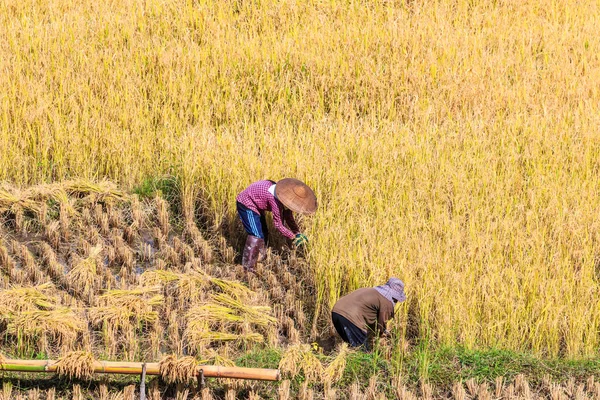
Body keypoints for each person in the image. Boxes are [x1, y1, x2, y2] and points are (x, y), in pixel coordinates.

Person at [236, 178, 317, 272]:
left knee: (264, 232)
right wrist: (293, 236)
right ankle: (248, 268)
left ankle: (259, 257)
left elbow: (288, 217)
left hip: (257, 204)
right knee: (256, 234)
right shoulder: (275, 200)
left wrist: (297, 232)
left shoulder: (287, 197)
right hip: (247, 204)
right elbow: (278, 224)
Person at [331, 277, 406, 348]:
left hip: (336, 312)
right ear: (395, 296)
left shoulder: (371, 291)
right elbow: (381, 325)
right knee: (361, 351)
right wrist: (383, 335)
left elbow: (369, 313)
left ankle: (343, 360)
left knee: (352, 347)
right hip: (350, 318)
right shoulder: (387, 302)